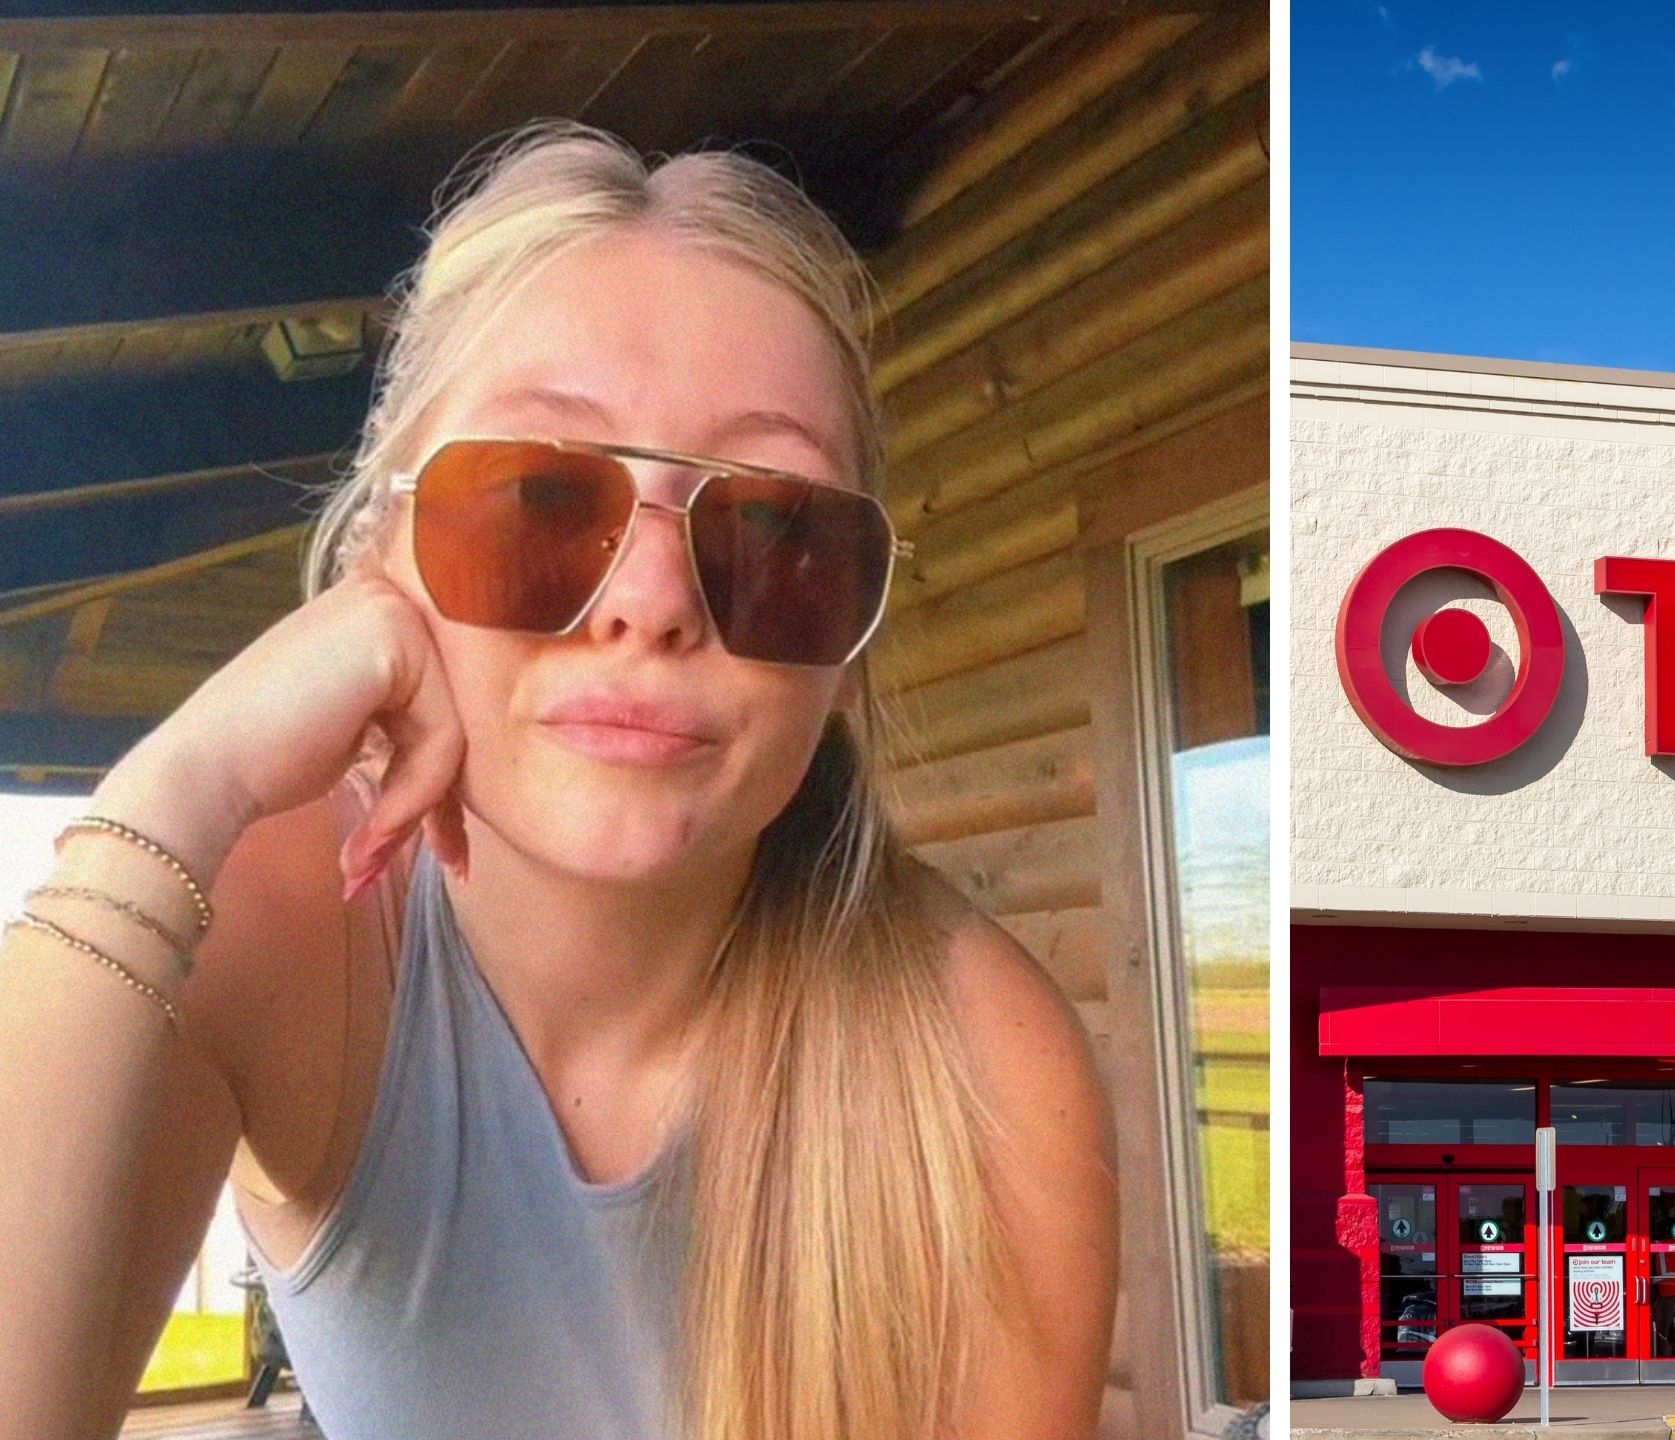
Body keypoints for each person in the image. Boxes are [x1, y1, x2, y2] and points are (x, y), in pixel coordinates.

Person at [0, 119, 1117, 1440]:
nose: (651, 600)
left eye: (772, 525)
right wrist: (178, 789)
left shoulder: (982, 1067)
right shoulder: (279, 931)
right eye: (537, 499)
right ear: (383, 557)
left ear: (847, 637)